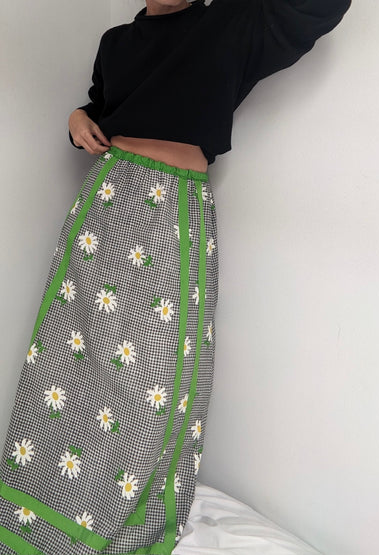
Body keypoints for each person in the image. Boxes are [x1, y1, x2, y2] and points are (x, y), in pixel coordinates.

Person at [0, 0, 351, 553]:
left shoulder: (231, 22)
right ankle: (40, 507)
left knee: (160, 375)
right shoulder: (117, 41)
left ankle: (123, 516)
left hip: (173, 212)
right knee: (70, 359)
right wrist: (77, 118)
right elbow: (104, 107)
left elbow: (319, 8)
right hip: (105, 204)